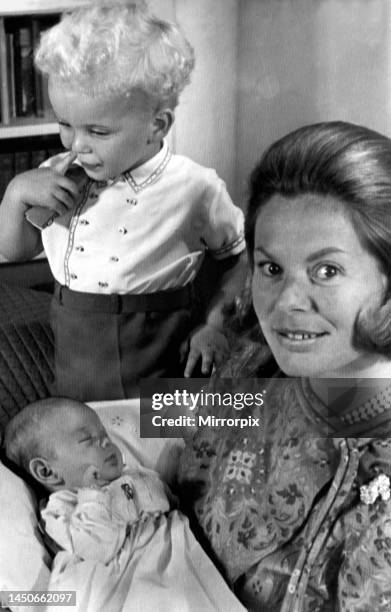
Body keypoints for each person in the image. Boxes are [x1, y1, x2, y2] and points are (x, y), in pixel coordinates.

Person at [178, 121, 391, 611]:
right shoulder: (256, 359)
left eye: (327, 271)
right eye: (272, 268)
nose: (286, 302)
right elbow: (158, 419)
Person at [0, 1, 246, 400]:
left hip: (158, 345)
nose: (77, 145)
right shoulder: (57, 172)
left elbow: (236, 261)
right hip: (76, 347)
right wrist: (14, 197)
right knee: (83, 439)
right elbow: (14, 250)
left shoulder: (196, 188)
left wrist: (216, 324)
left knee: (163, 437)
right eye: (65, 124)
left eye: (98, 131)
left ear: (157, 125)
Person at [3, 397, 246, 612]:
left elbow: (165, 500)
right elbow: (94, 548)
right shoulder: (60, 507)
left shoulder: (130, 473)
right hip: (126, 576)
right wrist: (92, 494)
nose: (105, 444)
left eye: (105, 436)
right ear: (47, 471)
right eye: (87, 440)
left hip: (171, 551)